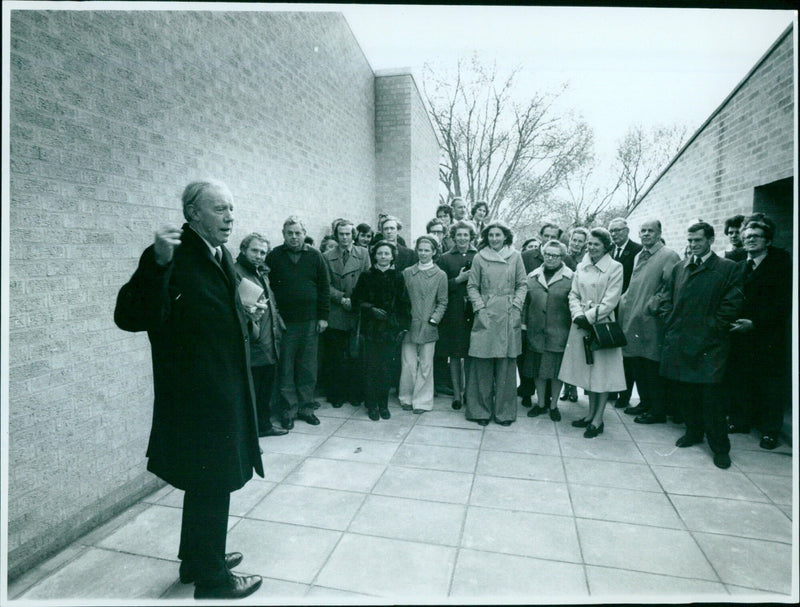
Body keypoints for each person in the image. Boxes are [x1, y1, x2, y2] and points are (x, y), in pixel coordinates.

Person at [114, 180, 263, 599]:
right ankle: (212, 580)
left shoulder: (220, 254)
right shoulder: (170, 255)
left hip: (222, 387)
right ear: (193, 213)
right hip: (198, 396)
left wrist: (244, 310)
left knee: (208, 480)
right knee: (215, 478)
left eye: (232, 208)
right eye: (220, 209)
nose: (230, 217)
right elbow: (130, 315)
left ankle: (198, 559)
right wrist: (156, 264)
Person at [656, 221, 743, 469]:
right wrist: (668, 319)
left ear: (710, 240)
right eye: (690, 240)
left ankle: (720, 448)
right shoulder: (679, 268)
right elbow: (666, 297)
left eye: (699, 240)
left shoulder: (728, 268)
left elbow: (732, 305)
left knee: (711, 399)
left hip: (710, 346)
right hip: (680, 341)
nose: (693, 244)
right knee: (685, 394)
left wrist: (713, 327)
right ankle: (693, 432)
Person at [726, 219, 792, 449]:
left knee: (769, 385)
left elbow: (783, 302)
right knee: (741, 379)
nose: (749, 239)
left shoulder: (781, 263)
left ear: (769, 240)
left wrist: (755, 323)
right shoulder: (738, 263)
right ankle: (741, 421)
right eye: (747, 237)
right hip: (739, 334)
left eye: (755, 236)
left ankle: (769, 431)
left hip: (767, 336)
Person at [558, 227, 627, 438]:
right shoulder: (581, 266)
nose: (591, 247)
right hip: (580, 324)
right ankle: (590, 414)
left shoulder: (615, 267)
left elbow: (611, 300)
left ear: (606, 247)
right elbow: (574, 293)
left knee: (602, 374)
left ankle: (598, 419)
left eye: (596, 244)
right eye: (590, 244)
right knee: (589, 372)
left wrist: (588, 317)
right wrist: (578, 314)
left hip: (601, 326)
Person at [266, 216, 330, 430]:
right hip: (285, 324)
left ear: (304, 233)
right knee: (286, 368)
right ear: (283, 234)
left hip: (310, 322)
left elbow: (324, 288)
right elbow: (269, 290)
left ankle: (306, 408)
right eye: (290, 233)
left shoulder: (315, 256)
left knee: (307, 368)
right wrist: (276, 318)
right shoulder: (274, 256)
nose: (294, 237)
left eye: (298, 233)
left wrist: (323, 317)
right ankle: (289, 410)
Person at [616, 220, 681, 425]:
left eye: (650, 231)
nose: (645, 234)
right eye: (642, 231)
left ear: (659, 232)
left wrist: (654, 304)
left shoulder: (668, 256)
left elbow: (671, 287)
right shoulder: (638, 256)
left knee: (652, 366)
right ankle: (645, 403)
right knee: (637, 364)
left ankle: (657, 410)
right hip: (633, 320)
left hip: (652, 321)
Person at [465, 221, 527, 426]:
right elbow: (472, 286)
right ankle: (479, 411)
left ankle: (505, 412)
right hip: (485, 312)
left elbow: (522, 284)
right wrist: (480, 308)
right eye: (490, 235)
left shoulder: (515, 256)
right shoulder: (479, 257)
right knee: (481, 363)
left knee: (506, 366)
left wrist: (516, 306)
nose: (494, 239)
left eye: (498, 235)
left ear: (505, 237)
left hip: (509, 313)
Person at [234, 233, 289, 438]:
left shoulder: (261, 272)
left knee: (264, 391)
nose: (258, 255)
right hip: (253, 344)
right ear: (243, 249)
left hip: (268, 344)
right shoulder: (236, 272)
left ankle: (264, 427)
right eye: (254, 251)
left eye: (263, 252)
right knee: (252, 394)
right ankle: (251, 436)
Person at [351, 242, 412, 420]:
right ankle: (371, 404)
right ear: (374, 256)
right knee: (371, 367)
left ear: (392, 257)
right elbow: (356, 300)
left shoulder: (398, 277)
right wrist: (370, 309)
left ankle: (383, 404)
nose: (383, 256)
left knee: (386, 368)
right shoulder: (366, 276)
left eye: (387, 254)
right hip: (370, 330)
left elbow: (404, 304)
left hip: (390, 331)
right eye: (380, 253)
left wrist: (402, 327)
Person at [322, 220, 371, 408]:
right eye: (341, 234)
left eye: (348, 234)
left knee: (356, 355)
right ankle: (336, 395)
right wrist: (341, 299)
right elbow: (325, 284)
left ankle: (355, 393)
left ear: (353, 235)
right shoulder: (326, 256)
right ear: (336, 235)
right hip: (337, 310)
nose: (344, 237)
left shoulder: (363, 253)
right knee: (335, 356)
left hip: (356, 310)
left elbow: (367, 279)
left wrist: (355, 300)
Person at [523, 240, 573, 422]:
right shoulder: (532, 276)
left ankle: (553, 406)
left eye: (555, 255)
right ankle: (541, 403)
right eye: (548, 254)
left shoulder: (571, 277)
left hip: (559, 331)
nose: (551, 258)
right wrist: (524, 325)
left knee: (555, 371)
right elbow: (525, 304)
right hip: (536, 331)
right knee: (538, 370)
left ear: (562, 257)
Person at [400, 236, 448, 414]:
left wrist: (434, 319)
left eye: (427, 250)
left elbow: (443, 301)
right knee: (408, 363)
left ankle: (422, 401)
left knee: (426, 365)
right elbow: (402, 299)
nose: (423, 253)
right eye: (420, 249)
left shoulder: (440, 275)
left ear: (434, 252)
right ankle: (406, 397)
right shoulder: (407, 272)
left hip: (429, 324)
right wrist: (403, 319)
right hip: (409, 324)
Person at [436, 220, 478, 410]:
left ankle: (469, 391)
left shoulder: (478, 256)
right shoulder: (445, 258)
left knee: (470, 353)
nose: (462, 238)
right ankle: (456, 394)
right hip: (453, 312)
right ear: (453, 237)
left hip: (473, 310)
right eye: (459, 235)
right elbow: (440, 287)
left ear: (471, 237)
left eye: (465, 235)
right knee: (454, 353)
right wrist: (458, 279)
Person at [607, 217, 643, 408]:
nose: (614, 234)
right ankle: (612, 390)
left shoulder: (638, 251)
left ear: (627, 231)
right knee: (611, 351)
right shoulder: (609, 251)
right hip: (609, 307)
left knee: (627, 353)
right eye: (612, 231)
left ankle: (625, 395)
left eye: (618, 230)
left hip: (627, 307)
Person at [559, 227, 589, 402]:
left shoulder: (586, 260)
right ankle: (567, 387)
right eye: (574, 240)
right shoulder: (564, 257)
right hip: (564, 305)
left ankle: (575, 388)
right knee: (565, 351)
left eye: (580, 241)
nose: (576, 243)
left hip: (580, 307)